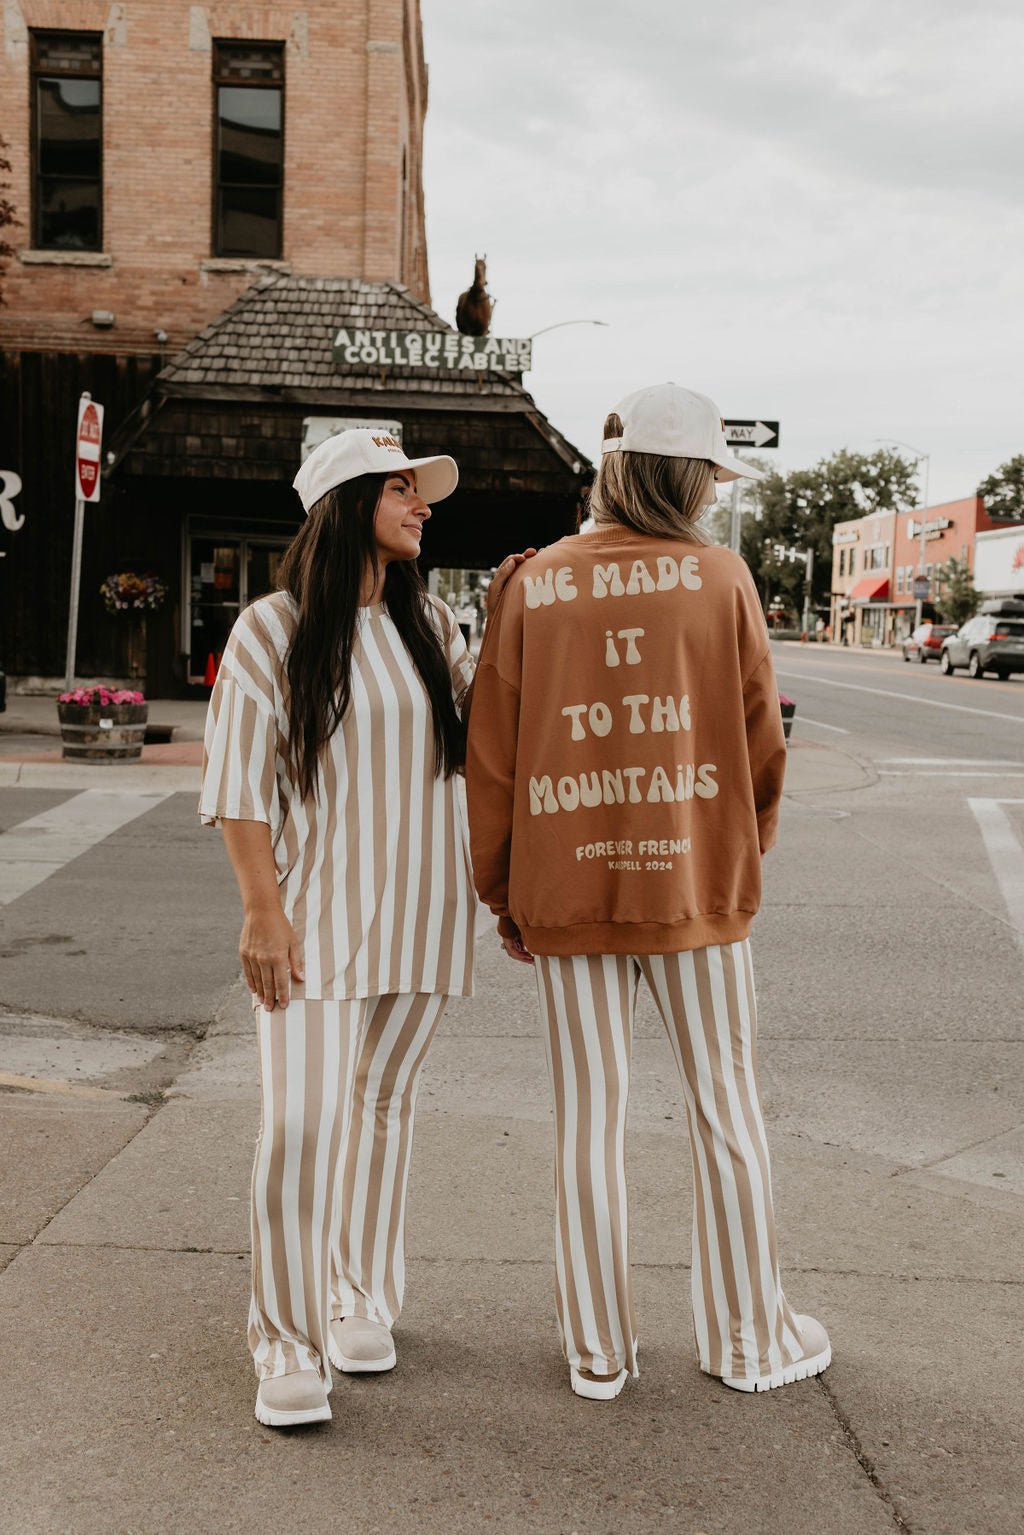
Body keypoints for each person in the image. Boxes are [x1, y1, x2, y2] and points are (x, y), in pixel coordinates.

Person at [466, 383, 831, 1401]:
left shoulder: (531, 583)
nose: (715, 494)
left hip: (564, 887)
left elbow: (490, 755)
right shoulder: (721, 581)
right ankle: (747, 1337)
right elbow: (763, 741)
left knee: (588, 1117)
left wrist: (505, 890)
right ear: (684, 476)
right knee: (726, 1111)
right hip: (695, 883)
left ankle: (597, 1348)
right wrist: (736, 859)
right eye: (710, 474)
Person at [199, 427, 526, 1428]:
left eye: (420, 490)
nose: (422, 504)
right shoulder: (273, 627)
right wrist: (262, 907)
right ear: (347, 503)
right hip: (314, 915)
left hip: (426, 912)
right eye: (400, 488)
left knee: (382, 1103)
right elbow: (240, 782)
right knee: (302, 1123)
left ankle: (357, 1292)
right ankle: (285, 1339)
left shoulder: (435, 626)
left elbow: (489, 744)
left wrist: (514, 609)